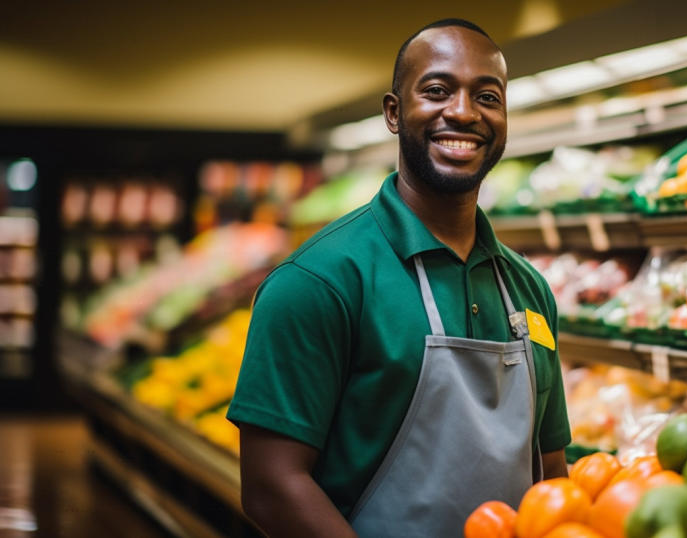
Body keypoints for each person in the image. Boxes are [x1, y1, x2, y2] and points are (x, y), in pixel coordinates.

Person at [227, 18, 571, 537]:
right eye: (436, 91)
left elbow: (550, 470)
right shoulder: (316, 282)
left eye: (487, 96)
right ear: (394, 113)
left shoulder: (530, 290)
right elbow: (272, 487)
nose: (462, 112)